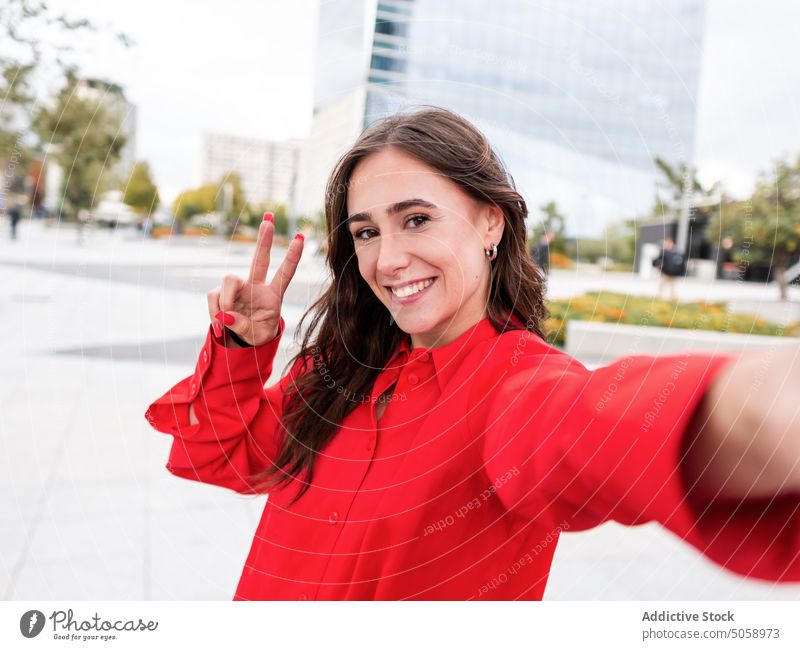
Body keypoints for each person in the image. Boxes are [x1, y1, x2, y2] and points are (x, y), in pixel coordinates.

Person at [145, 107, 800, 601]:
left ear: (491, 222)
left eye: (417, 219)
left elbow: (649, 422)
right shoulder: (343, 371)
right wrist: (241, 348)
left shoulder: (522, 390)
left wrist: (763, 411)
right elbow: (227, 456)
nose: (388, 258)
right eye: (366, 232)